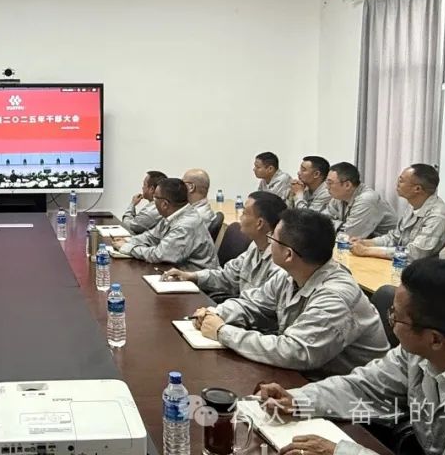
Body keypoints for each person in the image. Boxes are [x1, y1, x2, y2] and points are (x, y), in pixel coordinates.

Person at [256, 258, 445, 455]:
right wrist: (299, 401)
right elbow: (364, 386)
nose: (389, 322)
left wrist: (343, 452)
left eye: (395, 317)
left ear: (435, 339)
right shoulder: (422, 354)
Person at [193, 209, 389, 379]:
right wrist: (215, 314)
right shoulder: (291, 274)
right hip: (306, 377)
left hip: (346, 394)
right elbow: (252, 304)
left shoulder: (336, 297)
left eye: (273, 238)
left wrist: (223, 332)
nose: (268, 242)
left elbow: (294, 351)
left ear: (288, 254)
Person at [163, 191, 285, 301]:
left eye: (244, 213)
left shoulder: (279, 262)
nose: (240, 217)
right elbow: (227, 276)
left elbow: (259, 305)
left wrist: (218, 312)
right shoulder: (255, 246)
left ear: (259, 223)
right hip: (238, 310)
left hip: (249, 315)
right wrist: (191, 276)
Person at [112, 178, 218, 271]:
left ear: (164, 204)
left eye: (155, 198)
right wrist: (128, 241)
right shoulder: (173, 214)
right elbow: (151, 237)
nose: (153, 202)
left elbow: (159, 255)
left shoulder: (185, 225)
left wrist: (128, 248)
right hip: (177, 271)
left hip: (195, 280)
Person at [352, 164, 445, 261]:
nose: (397, 184)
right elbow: (394, 238)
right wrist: (365, 243)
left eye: (401, 181)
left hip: (425, 268)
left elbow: (415, 254)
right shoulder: (412, 206)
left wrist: (366, 251)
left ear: (417, 189)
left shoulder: (438, 216)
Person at [323, 162, 397, 238]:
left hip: (382, 243)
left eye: (330, 183)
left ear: (347, 185)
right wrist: (341, 225)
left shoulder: (366, 199)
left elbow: (348, 236)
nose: (326, 187)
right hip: (361, 241)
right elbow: (321, 222)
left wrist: (336, 225)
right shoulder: (339, 197)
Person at [122, 170, 166, 235]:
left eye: (144, 185)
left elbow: (128, 225)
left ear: (151, 189)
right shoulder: (156, 206)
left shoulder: (151, 211)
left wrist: (132, 204)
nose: (142, 188)